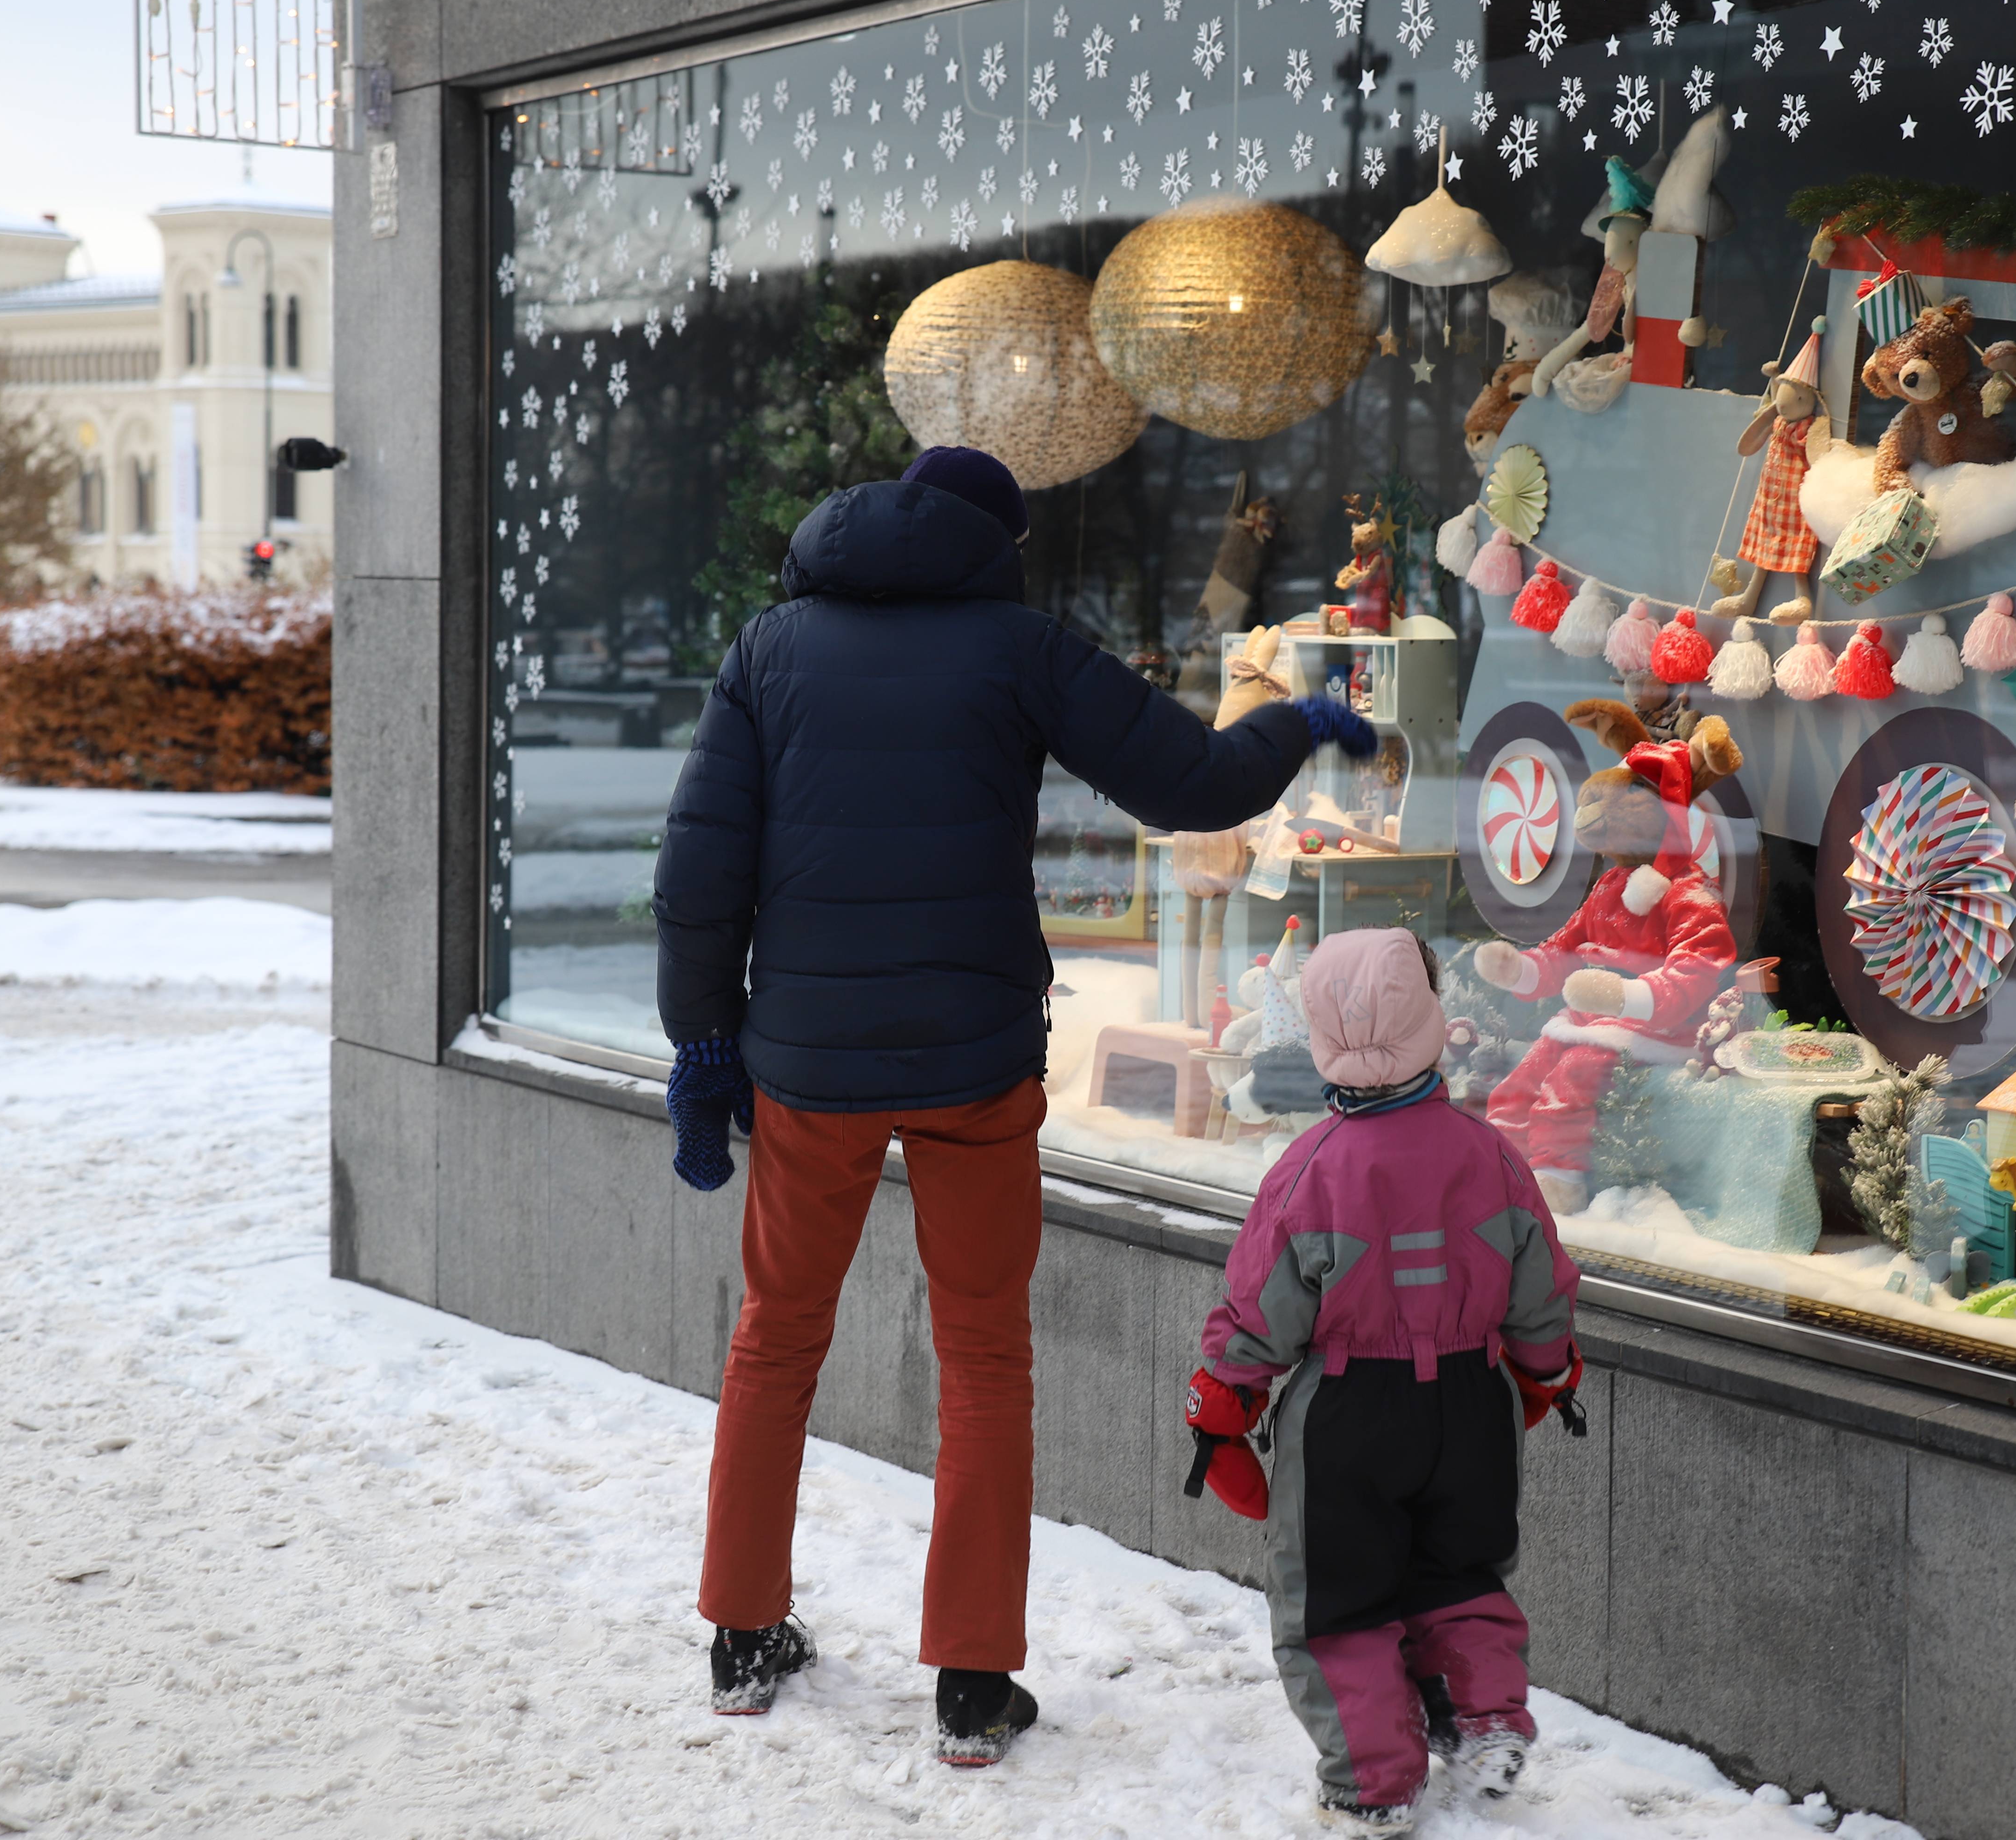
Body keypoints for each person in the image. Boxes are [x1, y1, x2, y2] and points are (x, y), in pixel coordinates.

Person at [654, 444, 1375, 1765]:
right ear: (988, 541)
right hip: (975, 1061)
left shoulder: (772, 648)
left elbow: (700, 865)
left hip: (806, 1063)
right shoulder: (1017, 645)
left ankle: (743, 1638)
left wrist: (704, 1044)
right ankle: (973, 1686)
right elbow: (1194, 788)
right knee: (984, 1355)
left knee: (774, 1337)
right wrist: (1297, 725)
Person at [1183, 926, 1585, 1834]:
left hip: (1350, 1417)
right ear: (1432, 1021)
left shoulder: (1311, 1172)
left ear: (1322, 1034)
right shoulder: (1490, 1156)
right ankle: (1487, 1720)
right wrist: (1546, 1370)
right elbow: (1540, 1284)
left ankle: (1376, 1779)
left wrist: (1222, 1402)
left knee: (1338, 1599)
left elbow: (1261, 1306)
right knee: (1462, 1571)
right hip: (1472, 1403)